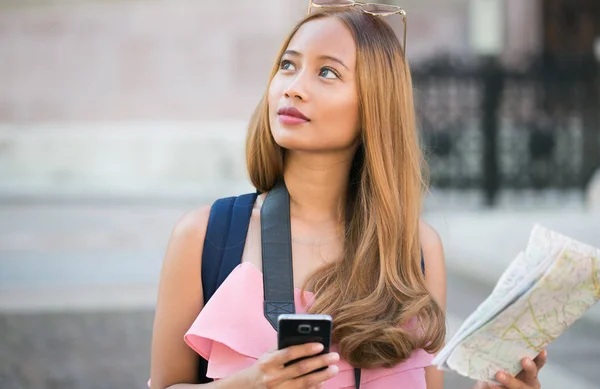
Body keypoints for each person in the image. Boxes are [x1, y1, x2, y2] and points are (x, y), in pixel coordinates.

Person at [149, 3, 548, 389]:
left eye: (326, 72)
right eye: (288, 65)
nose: (294, 88)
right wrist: (252, 386)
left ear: (374, 107)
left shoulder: (417, 248)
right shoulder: (206, 236)